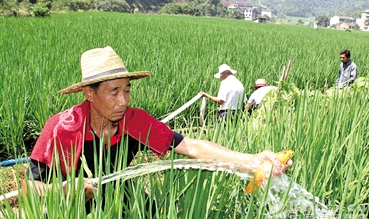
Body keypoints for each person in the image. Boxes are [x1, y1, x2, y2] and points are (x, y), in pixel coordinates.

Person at [22, 46, 291, 209]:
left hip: (118, 195)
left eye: (127, 90)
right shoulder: (64, 128)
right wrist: (68, 189)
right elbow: (29, 190)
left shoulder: (134, 121)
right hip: (71, 208)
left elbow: (192, 146)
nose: (123, 100)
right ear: (89, 94)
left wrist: (250, 161)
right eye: (113, 92)